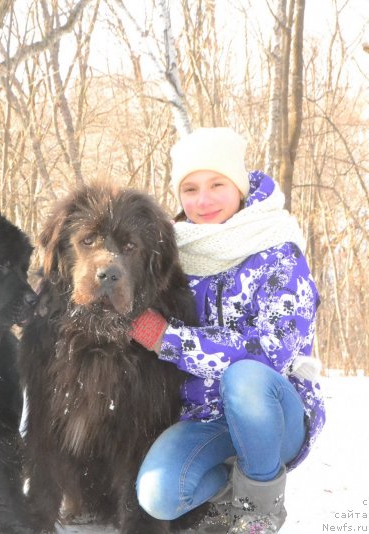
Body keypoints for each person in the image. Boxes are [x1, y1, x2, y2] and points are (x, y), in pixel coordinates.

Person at [129, 127, 326, 534]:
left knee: (246, 377)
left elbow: (270, 352)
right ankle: (228, 497)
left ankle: (257, 511)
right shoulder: (173, 253)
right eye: (190, 188)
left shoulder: (278, 251)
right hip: (204, 418)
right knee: (157, 494)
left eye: (217, 184)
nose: (203, 200)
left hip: (271, 413)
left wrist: (170, 339)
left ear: (238, 184)